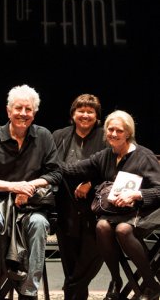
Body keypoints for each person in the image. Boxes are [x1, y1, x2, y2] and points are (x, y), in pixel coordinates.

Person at [0, 84, 62, 300]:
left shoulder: (44, 136)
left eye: (28, 109)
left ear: (34, 113)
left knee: (38, 224)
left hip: (33, 204)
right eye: (18, 108)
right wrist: (12, 186)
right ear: (8, 111)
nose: (23, 114)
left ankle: (28, 292)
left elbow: (56, 173)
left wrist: (30, 187)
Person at [62, 110, 160, 300]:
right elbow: (75, 169)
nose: (114, 134)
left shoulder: (143, 156)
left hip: (143, 212)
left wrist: (137, 194)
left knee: (123, 230)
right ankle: (116, 280)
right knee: (101, 226)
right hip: (117, 212)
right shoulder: (106, 155)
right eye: (110, 130)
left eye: (119, 131)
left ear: (128, 133)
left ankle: (151, 284)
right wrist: (49, 162)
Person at [52, 94, 106, 300]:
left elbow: (113, 168)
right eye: (80, 110)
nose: (85, 115)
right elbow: (51, 166)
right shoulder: (59, 135)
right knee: (70, 261)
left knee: (90, 258)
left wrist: (90, 183)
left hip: (95, 209)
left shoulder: (105, 136)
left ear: (97, 116)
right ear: (73, 114)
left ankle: (70, 292)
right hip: (65, 208)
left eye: (90, 111)